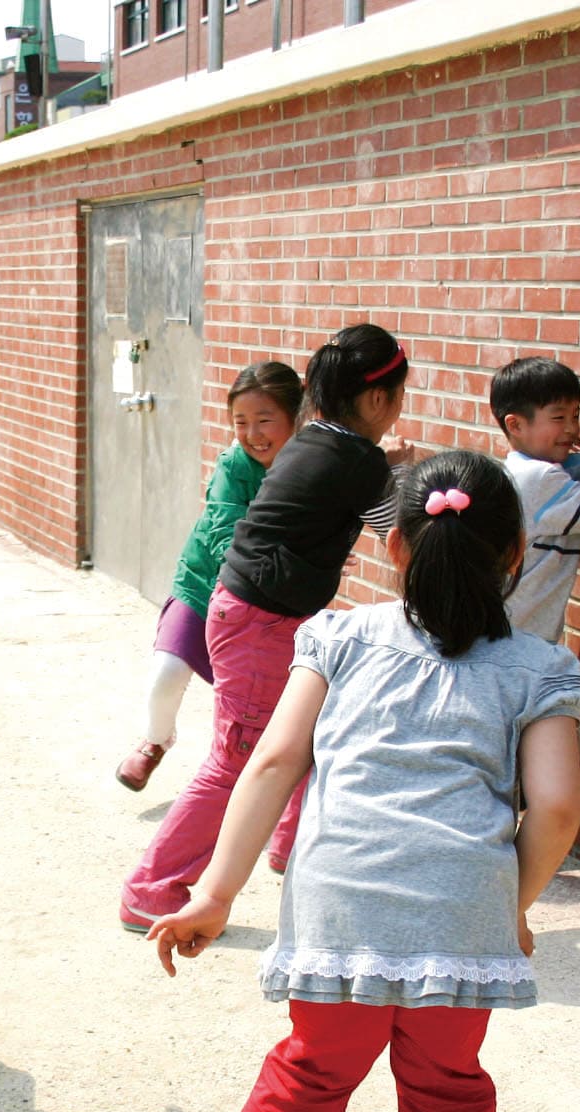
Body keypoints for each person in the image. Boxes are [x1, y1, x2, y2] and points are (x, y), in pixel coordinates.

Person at [148, 449, 580, 1112]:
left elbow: (273, 762)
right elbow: (558, 808)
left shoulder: (340, 637)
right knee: (449, 1082)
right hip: (461, 910)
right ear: (517, 554)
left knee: (311, 1069)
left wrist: (214, 894)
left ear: (395, 551)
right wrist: (516, 902)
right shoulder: (537, 668)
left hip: (339, 902)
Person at [120, 323, 409, 932]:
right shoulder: (358, 459)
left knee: (314, 726)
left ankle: (289, 843)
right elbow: (397, 531)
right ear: (381, 400)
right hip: (259, 620)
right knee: (237, 759)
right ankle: (152, 889)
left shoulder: (316, 441)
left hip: (264, 612)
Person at [117, 361, 302, 792]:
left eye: (264, 421)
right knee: (166, 671)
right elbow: (223, 528)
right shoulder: (235, 465)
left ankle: (258, 777)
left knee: (262, 699)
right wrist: (257, 572)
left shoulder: (306, 463)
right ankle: (154, 741)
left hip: (273, 600)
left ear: (295, 417)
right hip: (205, 584)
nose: (253, 433)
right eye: (241, 422)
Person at [490, 356, 580, 643]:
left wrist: (574, 460)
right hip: (518, 641)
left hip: (508, 634)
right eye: (558, 418)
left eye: (575, 416)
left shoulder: (518, 471)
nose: (572, 429)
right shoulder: (539, 478)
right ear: (515, 425)